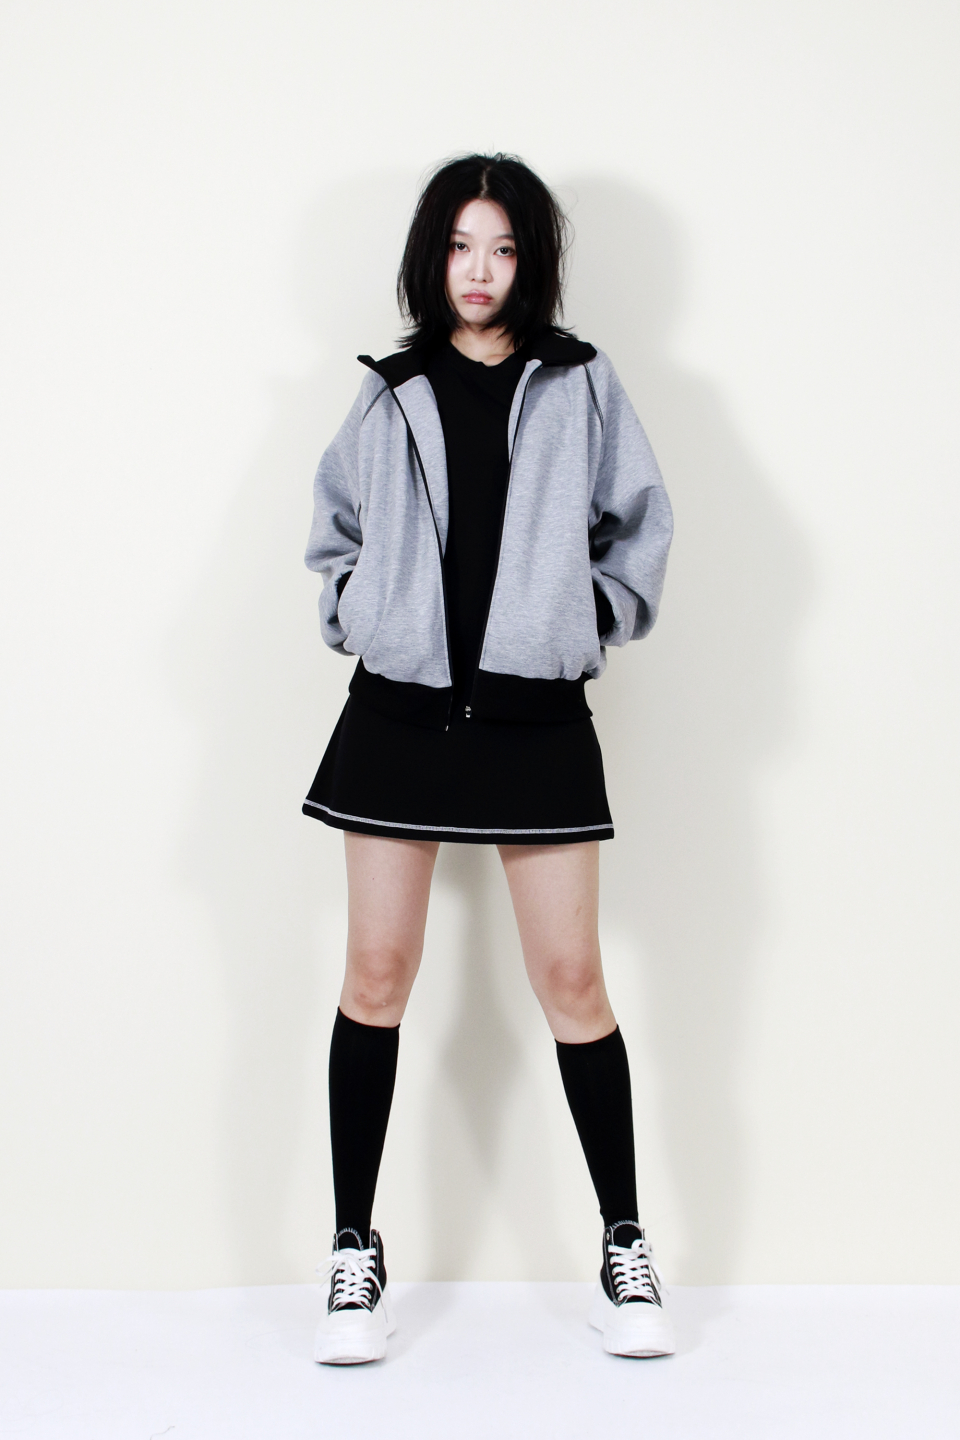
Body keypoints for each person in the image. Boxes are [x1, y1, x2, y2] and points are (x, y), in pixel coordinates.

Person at [303, 153, 674, 1364]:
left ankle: (625, 1247)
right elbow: (333, 530)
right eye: (462, 246)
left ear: (531, 261)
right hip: (400, 714)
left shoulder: (580, 382)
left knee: (573, 980)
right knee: (376, 973)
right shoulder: (392, 388)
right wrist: (361, 612)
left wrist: (586, 621)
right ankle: (353, 1251)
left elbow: (640, 522)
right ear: (434, 257)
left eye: (504, 248)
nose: (481, 270)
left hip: (533, 718)